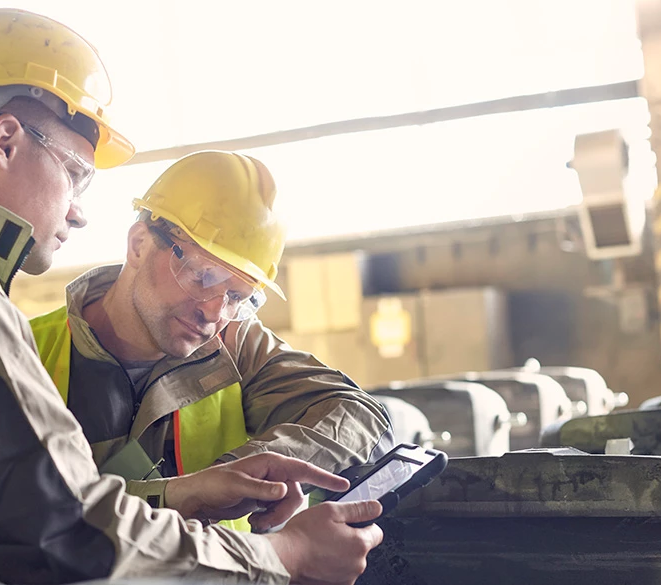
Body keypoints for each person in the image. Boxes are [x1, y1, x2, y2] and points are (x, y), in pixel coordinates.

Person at [0, 9, 382, 584]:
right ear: (6, 141)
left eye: (239, 296)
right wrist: (282, 557)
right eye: (74, 174)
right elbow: (59, 530)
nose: (77, 210)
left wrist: (184, 494)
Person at [30, 150, 392, 531]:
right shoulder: (25, 351)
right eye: (204, 277)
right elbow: (21, 515)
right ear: (139, 244)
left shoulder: (236, 346)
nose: (215, 312)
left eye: (238, 297)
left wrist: (251, 467)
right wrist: (184, 493)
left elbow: (357, 413)